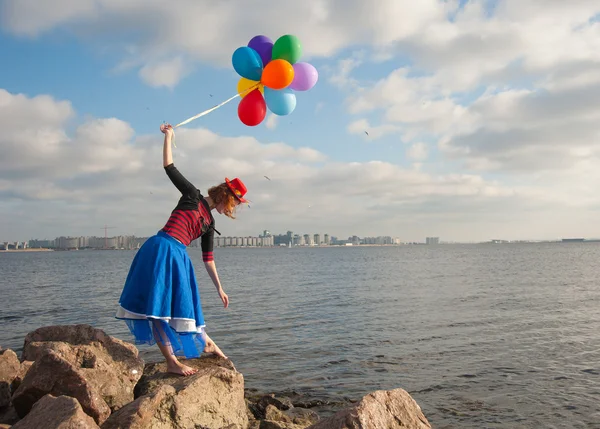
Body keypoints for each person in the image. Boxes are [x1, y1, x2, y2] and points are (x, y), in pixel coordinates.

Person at [115, 123, 249, 376]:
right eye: (233, 203)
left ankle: (206, 342)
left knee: (183, 306)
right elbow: (169, 166)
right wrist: (169, 136)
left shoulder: (210, 223)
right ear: (224, 196)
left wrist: (220, 288)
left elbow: (208, 260)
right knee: (157, 308)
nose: (232, 209)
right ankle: (172, 362)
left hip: (177, 256)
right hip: (160, 249)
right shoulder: (192, 195)